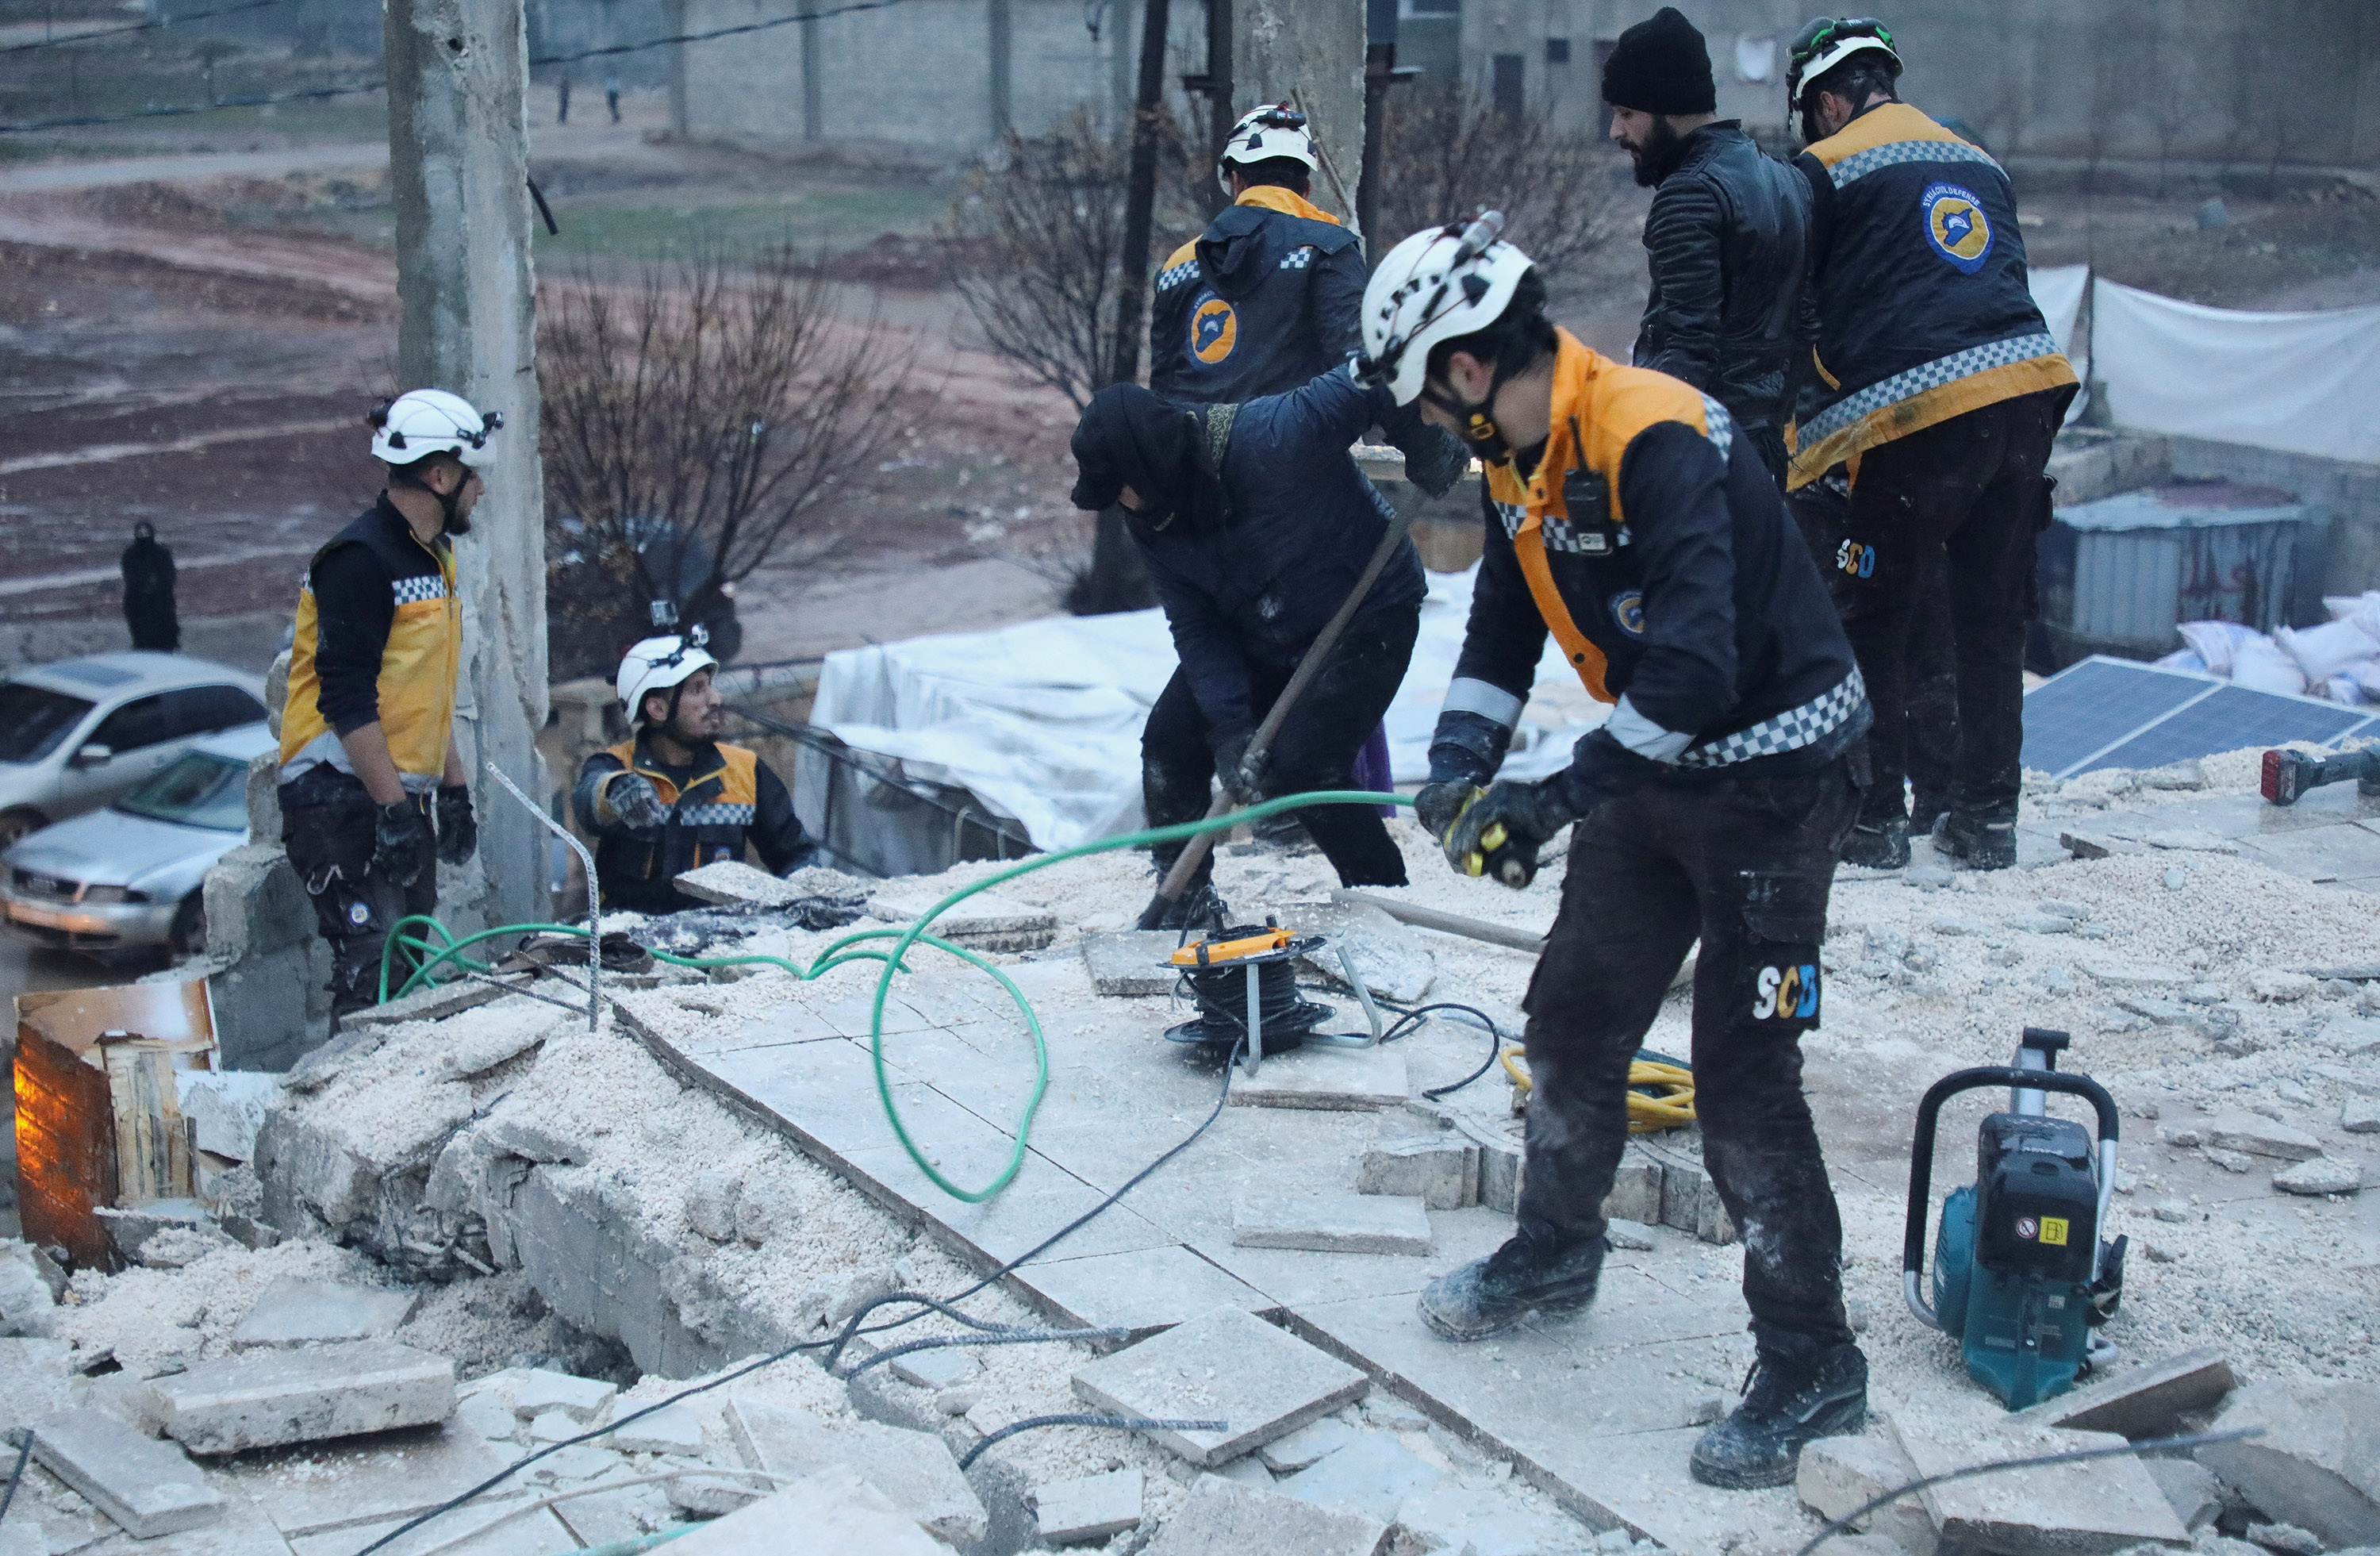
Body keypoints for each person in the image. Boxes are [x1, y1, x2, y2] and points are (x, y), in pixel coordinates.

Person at [1357, 217, 1872, 1489]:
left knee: (1746, 1083)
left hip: (1777, 779)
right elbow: (1499, 631)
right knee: (1573, 1021)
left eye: (1423, 391)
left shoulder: (1650, 432)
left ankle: (1812, 1361)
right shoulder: (1521, 464)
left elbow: (1697, 668)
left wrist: (1552, 798)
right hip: (1659, 767)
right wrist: (1461, 767)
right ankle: (1555, 1246)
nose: (1426, 419)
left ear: (1466, 369)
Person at [1783, 17, 2076, 869]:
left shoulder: (1825, 171)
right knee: (1991, 615)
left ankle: (1873, 823)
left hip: (1922, 419)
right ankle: (1987, 821)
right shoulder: (1978, 159)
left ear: (1829, 100)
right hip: (2025, 401)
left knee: (1873, 605)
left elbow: (1800, 312)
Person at [1069, 365, 1441, 923]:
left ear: (1153, 462)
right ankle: (1186, 897)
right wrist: (1231, 728)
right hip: (1257, 625)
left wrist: (1422, 440)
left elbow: (1375, 370)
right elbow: (1196, 627)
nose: (1122, 503)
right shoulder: (1149, 519)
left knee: (1306, 764)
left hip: (1366, 611)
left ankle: (1385, 898)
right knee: (1169, 743)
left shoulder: (1271, 435)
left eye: (1123, 487)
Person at [278, 390, 497, 1026]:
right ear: (439, 475)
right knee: (371, 972)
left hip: (390, 797)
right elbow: (346, 697)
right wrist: (395, 810)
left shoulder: (435, 558)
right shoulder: (359, 560)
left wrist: (453, 791)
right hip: (338, 799)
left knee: (409, 971)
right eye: (472, 472)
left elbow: (424, 696)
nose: (480, 488)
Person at [1603, 7, 1810, 488]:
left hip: (1701, 461)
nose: (1616, 132)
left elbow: (1684, 349)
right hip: (1765, 454)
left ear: (1668, 106)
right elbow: (1805, 330)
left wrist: (1630, 454)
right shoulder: (1786, 179)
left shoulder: (1689, 192)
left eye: (1626, 114)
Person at [573, 632, 816, 914]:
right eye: (698, 690)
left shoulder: (745, 770)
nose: (715, 699)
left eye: (710, 686)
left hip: (719, 937)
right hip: (629, 941)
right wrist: (616, 791)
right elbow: (589, 799)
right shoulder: (615, 765)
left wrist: (804, 899)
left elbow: (796, 857)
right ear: (658, 708)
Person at [121, 520, 179, 652]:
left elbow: (170, 576)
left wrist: (157, 586)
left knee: (165, 639)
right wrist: (144, 585)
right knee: (143, 640)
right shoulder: (130, 555)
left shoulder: (161, 554)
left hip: (161, 604)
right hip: (139, 604)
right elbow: (130, 576)